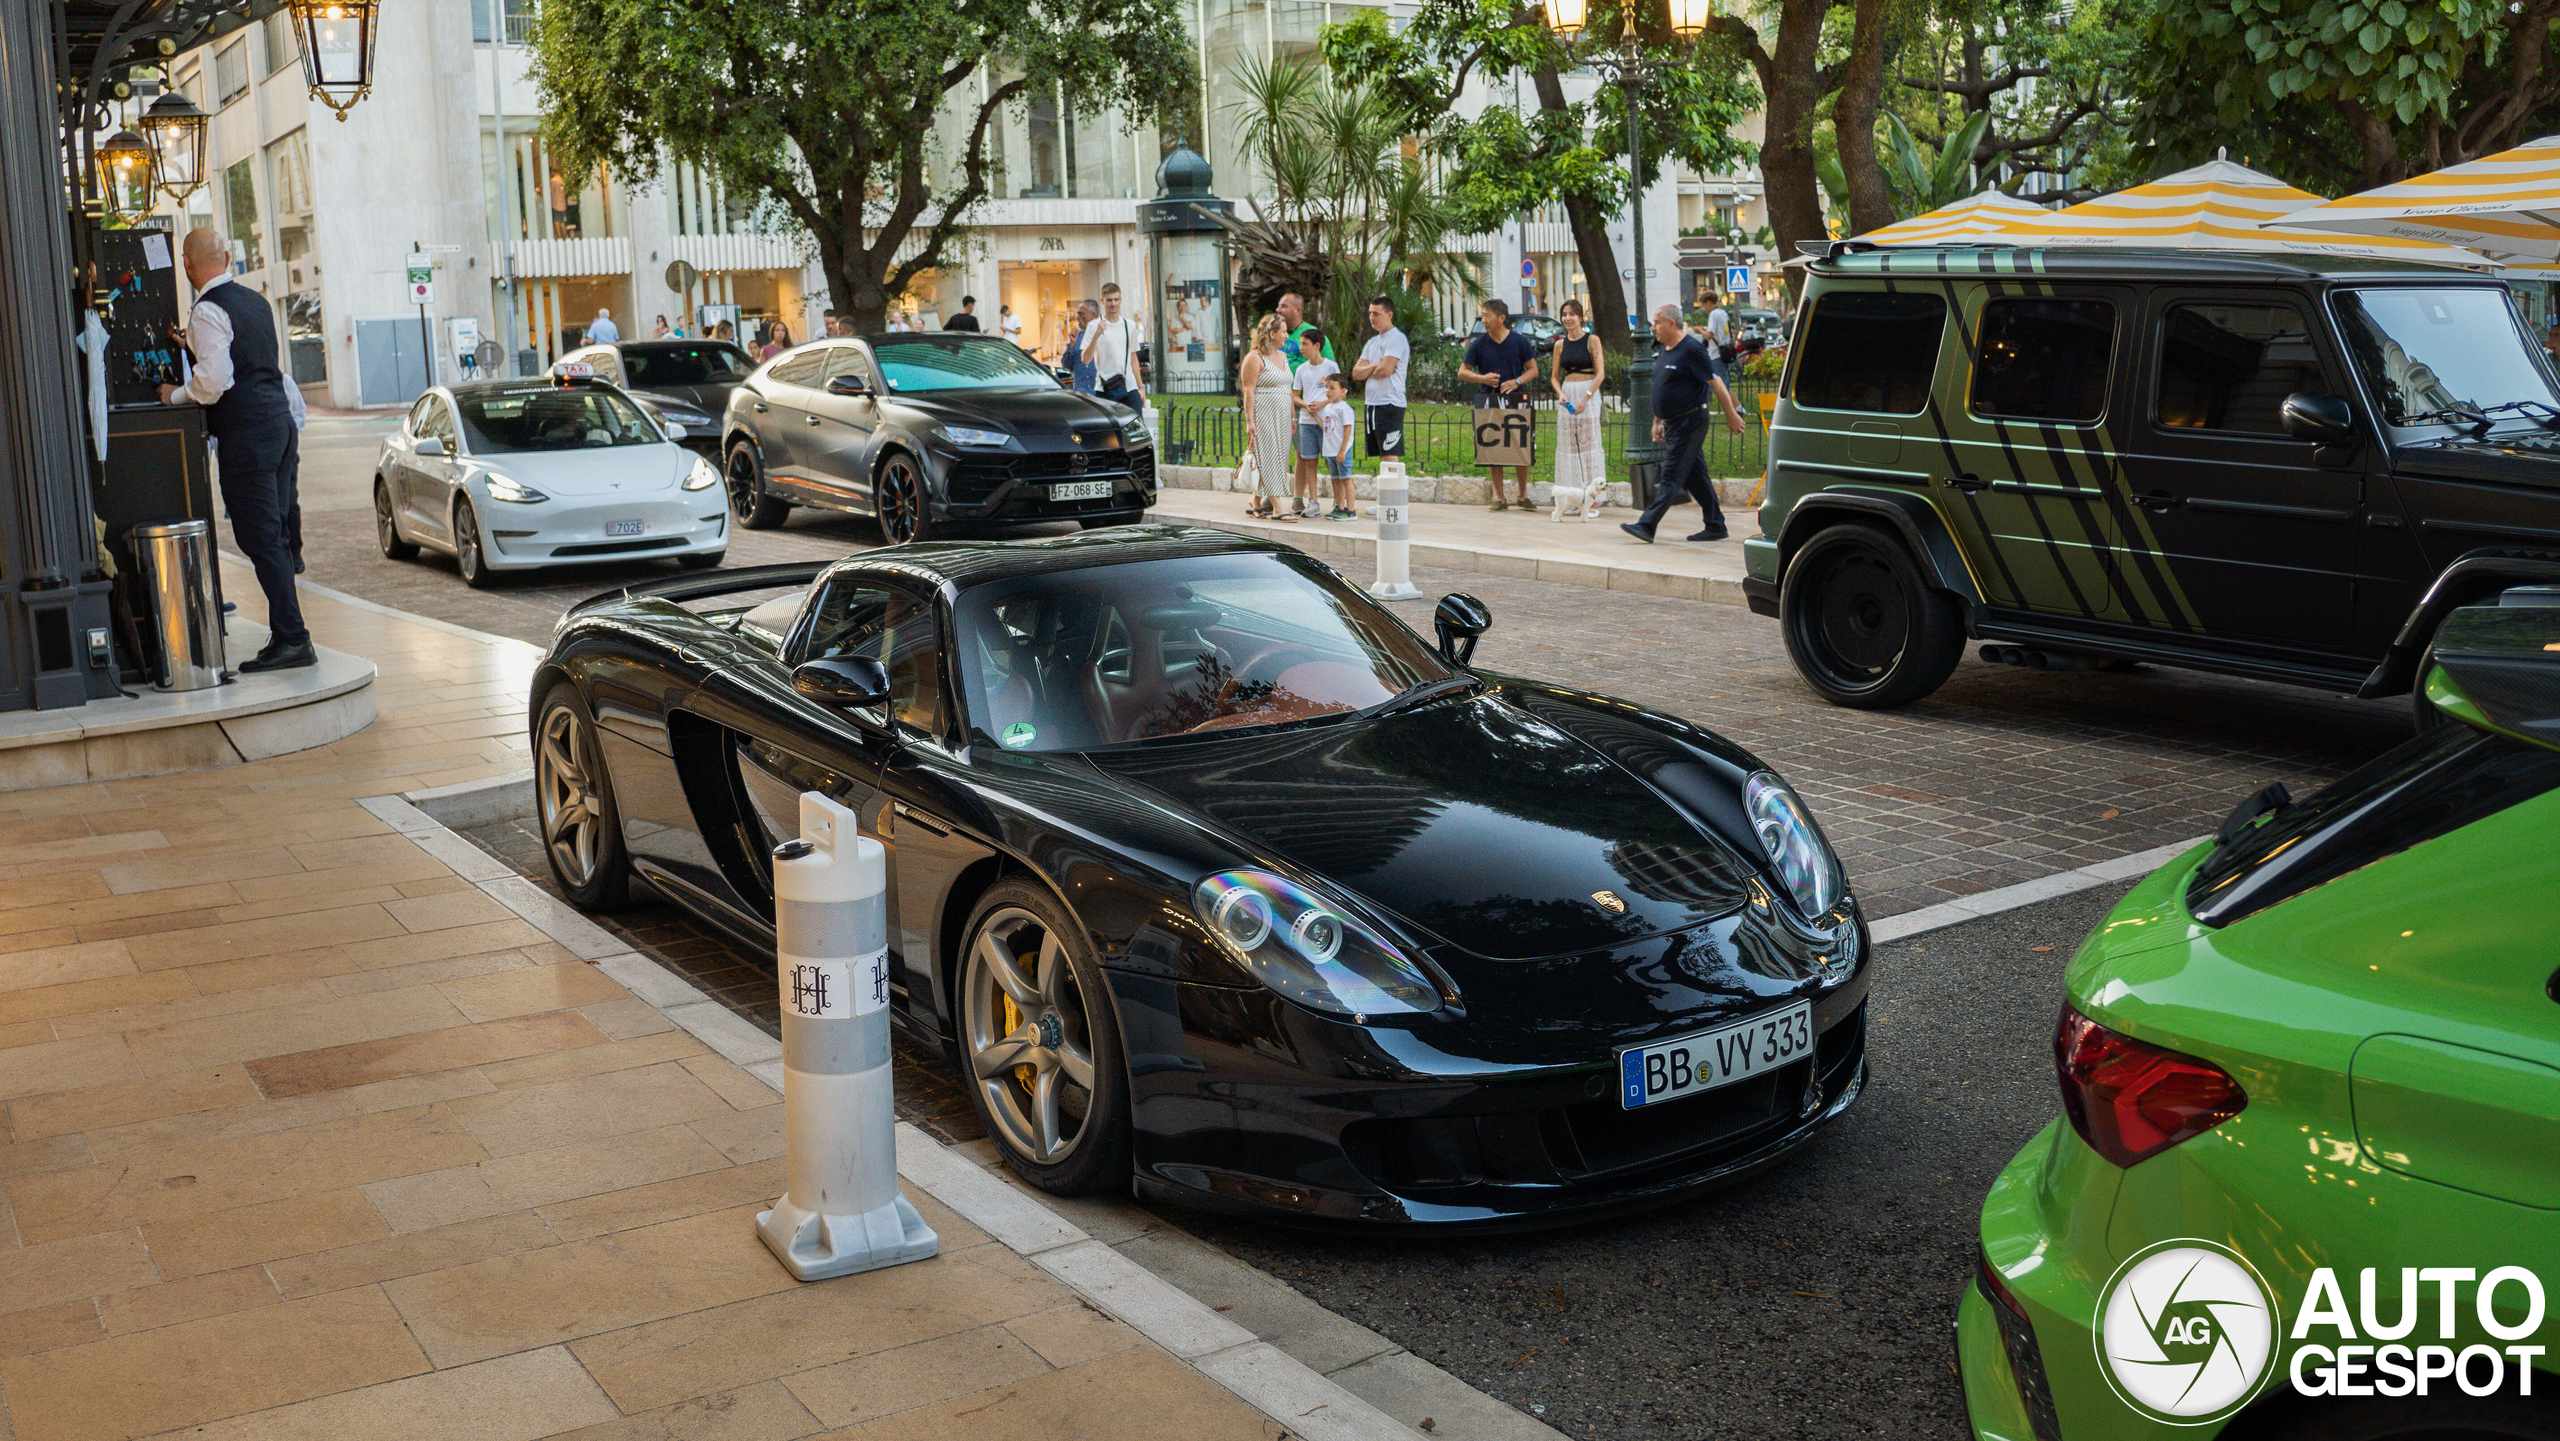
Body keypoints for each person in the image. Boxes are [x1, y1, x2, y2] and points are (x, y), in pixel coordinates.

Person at [157, 228, 311, 672]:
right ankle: (288, 633)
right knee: (276, 537)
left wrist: (174, 394)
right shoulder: (256, 302)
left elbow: (216, 380)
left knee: (260, 539)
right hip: (280, 426)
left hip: (247, 436)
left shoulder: (207, 310)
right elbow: (245, 359)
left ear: (187, 265)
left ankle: (293, 638)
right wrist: (189, 344)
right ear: (226, 257)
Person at [1623, 303, 1747, 545]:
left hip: (1690, 420)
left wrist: (1731, 414)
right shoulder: (1666, 349)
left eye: (1657, 322)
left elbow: (1717, 383)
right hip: (1673, 422)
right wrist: (1658, 419)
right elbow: (1664, 386)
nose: (1653, 327)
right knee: (1694, 475)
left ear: (1671, 323)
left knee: (1671, 474)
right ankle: (1715, 525)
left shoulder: (1692, 349)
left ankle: (1647, 525)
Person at [1456, 299, 1539, 511]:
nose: (1483, 320)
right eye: (1482, 315)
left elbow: (1533, 370)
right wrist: (1482, 378)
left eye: (1487, 316)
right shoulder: (1479, 344)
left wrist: (1517, 381)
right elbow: (1462, 371)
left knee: (1520, 448)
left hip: (1516, 401)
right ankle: (1499, 497)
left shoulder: (1519, 342)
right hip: (1489, 401)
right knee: (1493, 448)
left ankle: (1522, 495)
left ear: (1501, 318)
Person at [1549, 298, 1606, 508]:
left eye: (1572, 314)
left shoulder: (1592, 340)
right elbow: (1554, 376)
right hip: (1567, 392)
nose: (1568, 318)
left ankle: (1593, 501)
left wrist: (1586, 396)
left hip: (1587, 391)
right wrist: (1560, 394)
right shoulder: (1559, 345)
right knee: (1570, 447)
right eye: (1564, 314)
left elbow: (1600, 374)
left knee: (1588, 446)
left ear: (1581, 317)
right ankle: (1573, 498)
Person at [1240, 314, 1296, 521]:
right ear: (1272, 334)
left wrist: (1293, 417)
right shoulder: (1254, 358)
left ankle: (1255, 501)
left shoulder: (1283, 357)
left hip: (1282, 415)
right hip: (1263, 413)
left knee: (1278, 458)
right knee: (1268, 456)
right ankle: (1278, 507)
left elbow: (1288, 389)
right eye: (1283, 331)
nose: (1286, 335)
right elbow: (1249, 391)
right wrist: (1250, 422)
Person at [1290, 326, 1339, 518]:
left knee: (1331, 461)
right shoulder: (1302, 370)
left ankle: (1338, 500)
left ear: (1316, 346)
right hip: (1306, 422)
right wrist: (1306, 405)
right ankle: (1313, 501)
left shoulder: (1331, 367)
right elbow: (1295, 395)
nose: (1301, 347)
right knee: (1309, 460)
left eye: (1305, 344)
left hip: (1327, 422)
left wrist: (1323, 403)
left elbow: (1339, 392)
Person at [1352, 294, 1407, 461]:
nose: (1371, 317)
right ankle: (1385, 486)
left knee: (1389, 454)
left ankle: (1393, 487)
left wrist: (1370, 369)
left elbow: (1385, 371)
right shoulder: (1372, 342)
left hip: (1389, 403)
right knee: (1379, 454)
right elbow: (1355, 374)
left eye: (1376, 313)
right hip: (1371, 404)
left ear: (1389, 315)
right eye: (1370, 313)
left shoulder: (1397, 338)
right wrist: (1376, 364)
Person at [1078, 283, 1144, 409]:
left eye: (1116, 299)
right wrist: (1096, 334)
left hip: (1128, 387)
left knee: (1136, 424)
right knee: (1108, 428)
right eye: (1109, 300)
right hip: (1104, 388)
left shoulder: (1129, 326)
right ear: (1102, 301)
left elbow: (1133, 359)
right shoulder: (1093, 326)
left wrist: (1140, 387)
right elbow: (1085, 359)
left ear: (1120, 300)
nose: (1113, 304)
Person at [1318, 371, 1357, 519]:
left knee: (1345, 479)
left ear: (1342, 391)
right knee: (1335, 480)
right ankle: (1340, 507)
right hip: (1330, 451)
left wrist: (1342, 450)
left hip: (1341, 450)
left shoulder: (1344, 408)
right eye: (1326, 387)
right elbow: (1326, 427)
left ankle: (1350, 510)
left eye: (1332, 388)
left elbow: (1348, 429)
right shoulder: (1328, 408)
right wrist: (1315, 415)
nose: (1327, 391)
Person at [1276, 291, 1334, 372]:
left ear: (1298, 310)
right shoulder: (1272, 332)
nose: (1278, 310)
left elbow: (1331, 368)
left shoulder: (1314, 335)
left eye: (1284, 306)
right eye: (1278, 306)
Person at [1062, 300, 1099, 393]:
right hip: (1081, 392)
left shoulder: (1104, 336)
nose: (1078, 318)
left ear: (1093, 315)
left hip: (1099, 393)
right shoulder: (1077, 337)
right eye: (1077, 314)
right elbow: (1066, 366)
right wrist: (1071, 346)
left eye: (1081, 314)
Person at [1703, 292, 1732, 362]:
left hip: (1716, 354)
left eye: (1703, 305)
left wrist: (1699, 331)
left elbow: (1709, 335)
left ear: (1708, 303)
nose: (1703, 309)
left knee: (1718, 373)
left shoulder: (1713, 314)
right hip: (1725, 351)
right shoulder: (1723, 312)